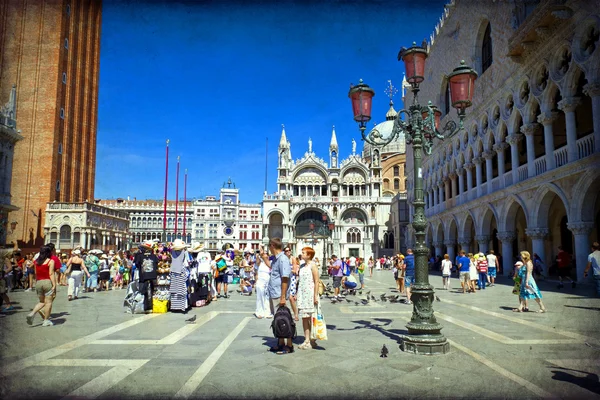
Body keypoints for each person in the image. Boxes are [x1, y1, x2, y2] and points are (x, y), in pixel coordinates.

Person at [259, 237, 293, 355]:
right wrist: (264, 257)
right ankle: (280, 343)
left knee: (285, 319)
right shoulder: (276, 259)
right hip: (275, 293)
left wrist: (283, 296)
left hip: (280, 294)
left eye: (269, 246)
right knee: (278, 319)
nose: (269, 249)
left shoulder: (283, 259)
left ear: (273, 246)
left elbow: (285, 278)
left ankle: (289, 345)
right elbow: (272, 268)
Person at [26, 246, 57, 327]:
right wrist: (54, 284)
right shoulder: (50, 261)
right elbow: (51, 273)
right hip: (47, 282)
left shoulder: (36, 262)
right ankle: (46, 320)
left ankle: (32, 313)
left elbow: (36, 273)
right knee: (48, 302)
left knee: (42, 302)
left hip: (39, 282)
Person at [296, 247, 320, 350]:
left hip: (310, 294)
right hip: (302, 294)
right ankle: (306, 340)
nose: (301, 254)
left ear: (309, 255)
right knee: (304, 318)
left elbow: (316, 281)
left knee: (312, 317)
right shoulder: (301, 266)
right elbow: (299, 281)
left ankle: (312, 339)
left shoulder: (313, 265)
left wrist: (315, 295)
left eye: (303, 253)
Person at [254, 247, 272, 318]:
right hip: (260, 282)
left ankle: (267, 312)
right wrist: (259, 254)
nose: (265, 255)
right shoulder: (260, 263)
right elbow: (257, 261)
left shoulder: (270, 263)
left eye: (266, 254)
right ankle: (259, 312)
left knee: (267, 297)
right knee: (260, 297)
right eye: (264, 254)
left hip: (268, 282)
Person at [287, 248, 300, 321]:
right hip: (284, 279)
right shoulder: (283, 259)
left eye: (289, 250)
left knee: (291, 298)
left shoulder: (293, 259)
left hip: (292, 279)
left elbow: (295, 270)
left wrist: (287, 269)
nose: (288, 252)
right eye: (286, 251)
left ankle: (295, 313)